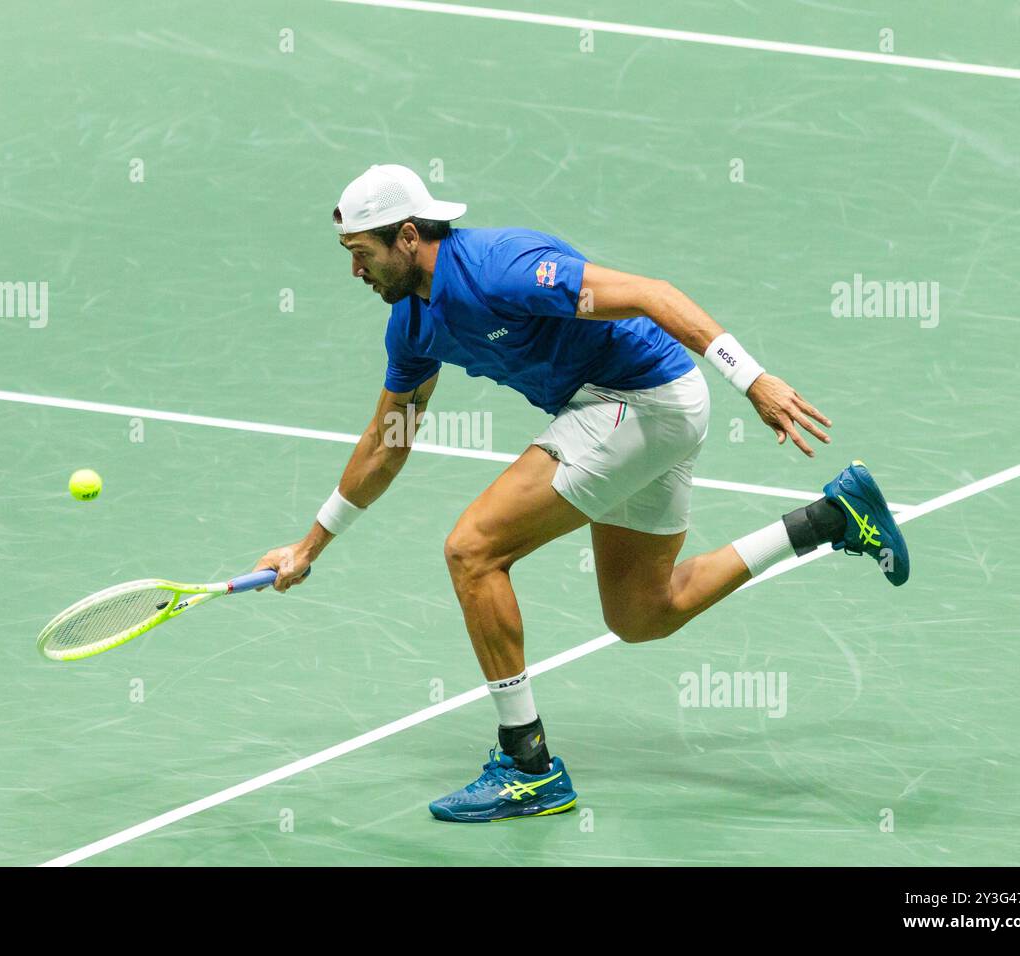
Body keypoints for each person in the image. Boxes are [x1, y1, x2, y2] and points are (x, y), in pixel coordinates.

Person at [253, 164, 908, 823]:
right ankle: (831, 517)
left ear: (409, 236)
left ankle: (528, 766)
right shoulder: (414, 326)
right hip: (625, 409)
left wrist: (754, 381)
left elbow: (651, 294)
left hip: (642, 399)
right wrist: (309, 546)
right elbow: (387, 441)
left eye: (361, 255)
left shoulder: (502, 269)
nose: (356, 273)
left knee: (471, 550)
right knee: (643, 613)